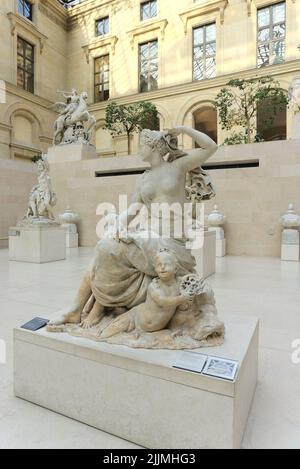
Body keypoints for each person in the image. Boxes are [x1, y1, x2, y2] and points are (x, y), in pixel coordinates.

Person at [48, 126, 217, 328]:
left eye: (141, 146)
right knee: (105, 245)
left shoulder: (177, 167)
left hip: (170, 240)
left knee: (107, 249)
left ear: (153, 147)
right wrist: (118, 224)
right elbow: (131, 210)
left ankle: (95, 308)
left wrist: (182, 129)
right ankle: (76, 310)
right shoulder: (143, 178)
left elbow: (210, 147)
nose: (138, 150)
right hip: (148, 235)